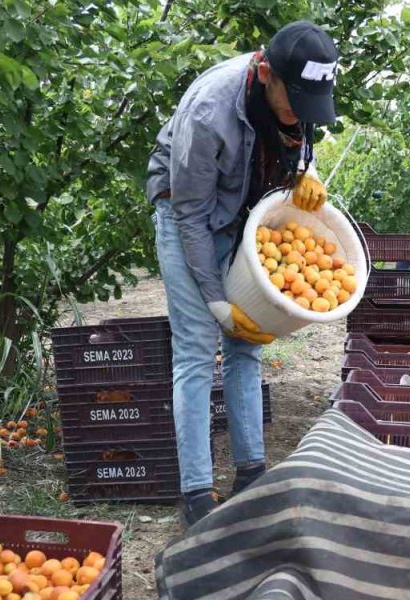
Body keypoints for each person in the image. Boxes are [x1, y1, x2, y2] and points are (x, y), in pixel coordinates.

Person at [146, 20, 338, 526]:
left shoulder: (294, 98)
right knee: (195, 344)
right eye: (294, 99)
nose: (300, 113)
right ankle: (196, 494)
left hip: (239, 209)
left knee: (245, 343)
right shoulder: (211, 111)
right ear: (267, 73)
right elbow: (189, 214)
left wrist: (307, 170)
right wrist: (214, 298)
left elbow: (296, 138)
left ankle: (252, 474)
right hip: (183, 211)